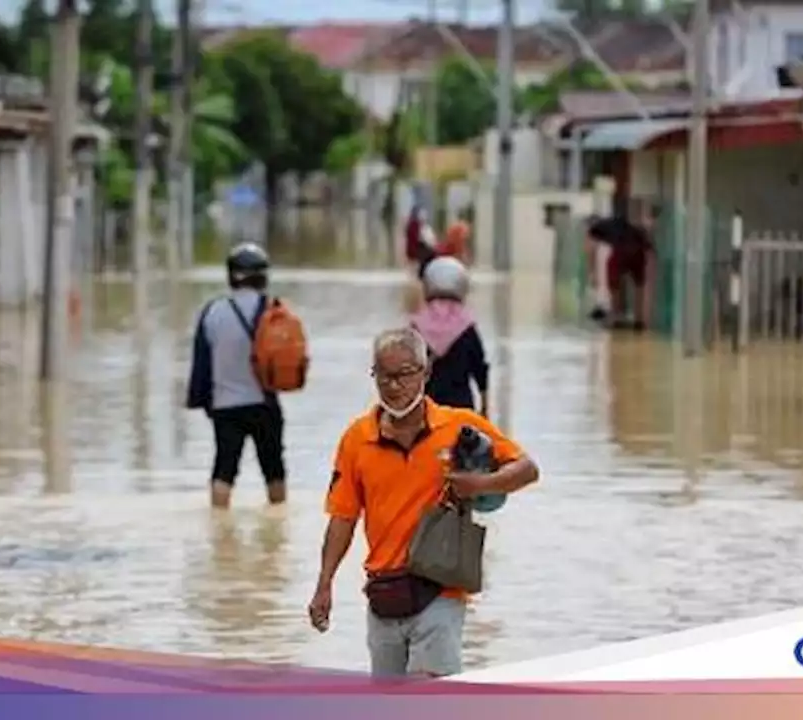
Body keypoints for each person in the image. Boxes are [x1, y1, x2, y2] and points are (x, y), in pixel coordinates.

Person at [306, 327, 539, 678]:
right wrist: (324, 584)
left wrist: (480, 483)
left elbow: (527, 468)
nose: (394, 386)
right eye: (383, 377)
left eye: (404, 375)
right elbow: (342, 518)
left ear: (426, 373)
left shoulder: (458, 426)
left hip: (441, 589)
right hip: (384, 593)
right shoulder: (357, 439)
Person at [185, 243, 287, 509]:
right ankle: (277, 532)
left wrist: (203, 403)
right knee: (274, 469)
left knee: (224, 469)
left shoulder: (212, 312)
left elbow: (201, 366)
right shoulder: (275, 311)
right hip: (264, 403)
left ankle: (219, 528)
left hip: (225, 406)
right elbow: (289, 359)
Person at [410, 257, 489, 415]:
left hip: (425, 411)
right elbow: (480, 369)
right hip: (461, 410)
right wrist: (485, 407)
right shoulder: (467, 327)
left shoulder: (417, 327)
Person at [586, 203, 655, 330]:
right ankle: (640, 320)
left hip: (620, 250)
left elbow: (590, 250)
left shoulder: (594, 229)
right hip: (639, 250)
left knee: (614, 286)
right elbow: (648, 248)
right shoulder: (622, 225)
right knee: (640, 285)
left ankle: (615, 318)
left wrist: (592, 271)